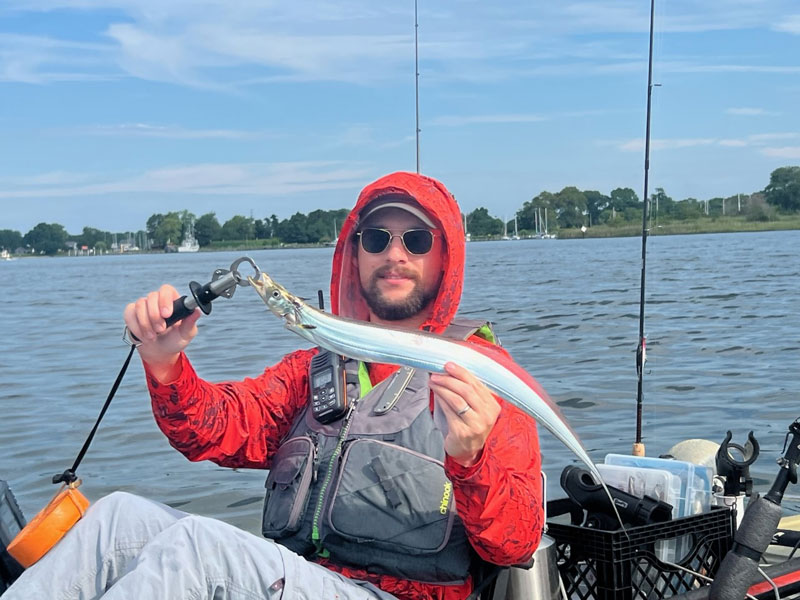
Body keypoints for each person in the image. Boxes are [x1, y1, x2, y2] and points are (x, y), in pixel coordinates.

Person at [5, 171, 543, 600]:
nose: (394, 255)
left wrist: (472, 460)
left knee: (200, 547)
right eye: (377, 238)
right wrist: (164, 360)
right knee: (116, 516)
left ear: (444, 255)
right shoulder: (314, 370)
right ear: (355, 252)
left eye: (417, 239)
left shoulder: (484, 378)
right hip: (304, 578)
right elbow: (212, 429)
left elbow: (517, 544)